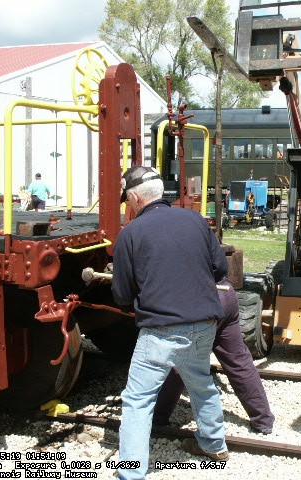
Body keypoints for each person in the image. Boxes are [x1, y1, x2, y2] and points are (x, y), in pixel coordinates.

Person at [111, 166, 229, 480]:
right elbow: (219, 269)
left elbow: (122, 294)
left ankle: (131, 472)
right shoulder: (195, 220)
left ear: (135, 197)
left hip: (161, 331)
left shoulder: (131, 233)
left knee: (138, 399)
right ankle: (214, 445)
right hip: (204, 323)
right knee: (202, 384)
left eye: (128, 199)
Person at [153, 278, 275, 434]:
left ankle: (157, 418)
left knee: (179, 359)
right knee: (238, 360)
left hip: (198, 297)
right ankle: (263, 420)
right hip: (224, 291)